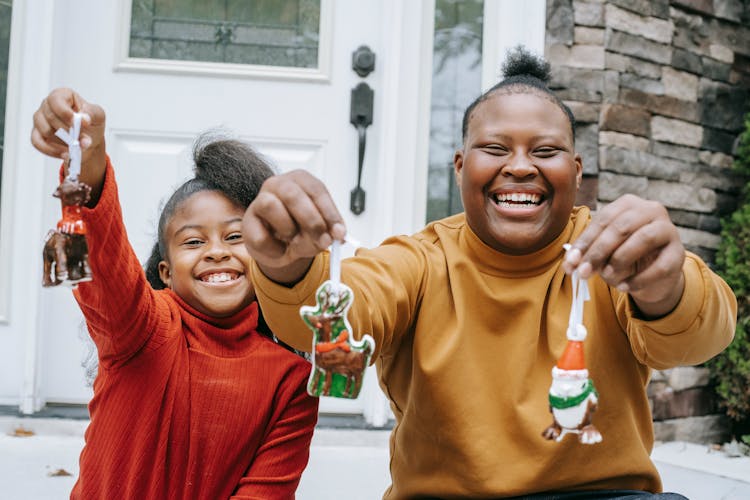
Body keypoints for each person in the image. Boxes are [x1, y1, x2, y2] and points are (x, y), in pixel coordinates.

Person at [241, 47, 737, 499]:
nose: (520, 167)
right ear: (460, 166)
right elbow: (342, 306)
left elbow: (697, 339)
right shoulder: (421, 259)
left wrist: (666, 288)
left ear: (578, 171)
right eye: (496, 149)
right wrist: (290, 265)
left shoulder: (612, 253)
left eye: (544, 152)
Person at [31, 88, 319, 499]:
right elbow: (109, 269)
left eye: (236, 236)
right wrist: (89, 164)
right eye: (193, 242)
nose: (217, 251)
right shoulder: (142, 329)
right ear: (165, 273)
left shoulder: (291, 380)